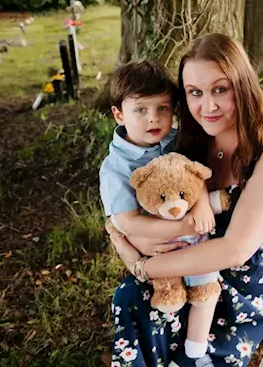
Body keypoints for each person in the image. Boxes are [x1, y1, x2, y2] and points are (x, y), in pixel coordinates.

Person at [107, 33, 263, 367]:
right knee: (131, 301)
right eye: (194, 93)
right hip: (190, 263)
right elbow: (135, 200)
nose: (207, 107)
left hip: (243, 285)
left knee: (193, 359)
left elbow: (234, 250)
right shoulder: (190, 135)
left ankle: (262, 325)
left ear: (242, 85)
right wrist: (117, 232)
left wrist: (142, 265)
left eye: (220, 90)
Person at [99, 60, 221, 365]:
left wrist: (203, 205)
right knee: (160, 302)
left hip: (192, 246)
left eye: (163, 108)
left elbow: (195, 178)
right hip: (156, 250)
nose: (153, 119)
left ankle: (195, 354)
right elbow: (125, 220)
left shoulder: (175, 141)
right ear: (119, 114)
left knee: (206, 289)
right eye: (140, 110)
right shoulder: (116, 167)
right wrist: (184, 228)